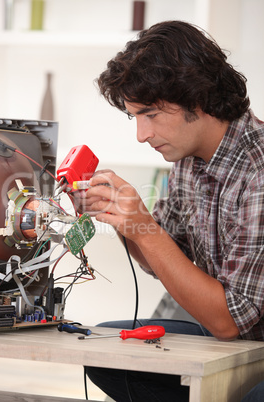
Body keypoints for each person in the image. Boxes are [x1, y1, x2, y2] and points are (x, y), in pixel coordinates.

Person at [75, 20, 264, 401]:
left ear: (197, 97)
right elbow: (158, 260)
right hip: (229, 338)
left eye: (151, 114)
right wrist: (123, 217)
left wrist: (144, 224)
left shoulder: (258, 171)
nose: (142, 135)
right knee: (106, 350)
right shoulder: (188, 160)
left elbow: (229, 322)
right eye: (135, 117)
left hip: (247, 340)